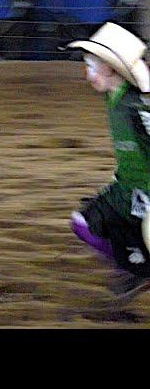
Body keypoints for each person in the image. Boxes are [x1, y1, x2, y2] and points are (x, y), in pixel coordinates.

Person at [64, 22, 150, 296]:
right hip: (126, 188)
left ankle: (138, 268)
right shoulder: (116, 99)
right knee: (83, 223)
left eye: (92, 65)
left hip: (145, 195)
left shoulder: (136, 106)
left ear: (112, 69)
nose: (87, 73)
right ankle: (134, 267)